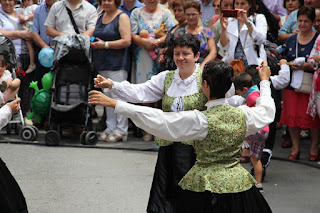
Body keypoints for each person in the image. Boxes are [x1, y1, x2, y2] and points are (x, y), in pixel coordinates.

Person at [88, 60, 274, 213]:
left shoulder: (200, 120)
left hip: (204, 186)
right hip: (237, 184)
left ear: (205, 85)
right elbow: (267, 110)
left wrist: (116, 104)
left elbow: (160, 120)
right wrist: (264, 81)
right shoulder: (243, 114)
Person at [93, 34, 208, 213]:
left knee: (193, 196)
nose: (180, 58)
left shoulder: (205, 78)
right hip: (170, 144)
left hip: (197, 148)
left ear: (196, 55)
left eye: (185, 53)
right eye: (177, 53)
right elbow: (140, 91)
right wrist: (112, 85)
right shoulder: (167, 77)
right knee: (167, 194)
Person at [279, 6, 320, 161]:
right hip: (292, 83)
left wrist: (306, 65)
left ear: (313, 22)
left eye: (306, 21)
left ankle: (314, 147)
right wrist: (287, 63)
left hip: (311, 84)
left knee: (313, 118)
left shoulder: (318, 39)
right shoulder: (291, 39)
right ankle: (295, 148)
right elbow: (282, 56)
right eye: (300, 21)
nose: (302, 24)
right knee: (292, 117)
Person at [130, 0, 174, 141]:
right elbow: (132, 34)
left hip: (161, 54)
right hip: (142, 55)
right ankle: (147, 128)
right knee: (146, 89)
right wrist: (145, 42)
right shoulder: (136, 12)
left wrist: (157, 42)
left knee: (161, 90)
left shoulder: (166, 13)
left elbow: (173, 32)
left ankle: (159, 128)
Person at [91, 0, 131, 142]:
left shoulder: (122, 16)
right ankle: (110, 127)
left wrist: (105, 45)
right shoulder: (100, 15)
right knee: (107, 99)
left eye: (110, 0)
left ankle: (122, 130)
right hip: (102, 64)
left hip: (117, 65)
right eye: (104, 0)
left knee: (119, 97)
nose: (106, 2)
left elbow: (127, 41)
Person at [0, 0, 34, 126]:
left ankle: (25, 114)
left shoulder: (21, 13)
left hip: (24, 55)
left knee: (26, 86)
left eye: (10, 0)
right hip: (5, 57)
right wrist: (19, 34)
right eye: (4, 0)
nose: (7, 3)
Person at [234, 71, 269, 193]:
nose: (239, 95)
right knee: (255, 158)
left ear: (244, 89)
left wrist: (251, 107)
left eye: (238, 92)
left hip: (256, 130)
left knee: (235, 133)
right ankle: (258, 184)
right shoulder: (258, 91)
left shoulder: (252, 96)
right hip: (264, 130)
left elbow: (255, 100)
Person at [218, 0, 267, 66]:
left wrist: (246, 22)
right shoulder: (229, 20)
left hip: (254, 65)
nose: (239, 7)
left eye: (242, 4)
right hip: (233, 65)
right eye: (237, 4)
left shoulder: (259, 18)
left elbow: (260, 40)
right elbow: (224, 47)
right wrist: (224, 30)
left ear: (249, 5)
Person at [174, 1, 217, 67]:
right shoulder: (179, 33)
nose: (191, 17)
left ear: (200, 14)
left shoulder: (207, 32)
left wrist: (202, 66)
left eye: (193, 14)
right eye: (188, 14)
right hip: (184, 66)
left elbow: (213, 52)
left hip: (204, 66)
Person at [31, 0, 56, 89]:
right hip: (43, 53)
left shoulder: (63, 8)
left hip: (59, 51)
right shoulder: (38, 10)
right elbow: (34, 32)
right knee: (42, 85)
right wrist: (44, 47)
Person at [158, 0, 187, 71]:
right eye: (175, 10)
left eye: (180, 10)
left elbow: (180, 46)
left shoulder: (186, 28)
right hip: (166, 64)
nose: (177, 13)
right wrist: (162, 54)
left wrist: (164, 51)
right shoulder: (174, 27)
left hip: (177, 65)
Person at [16, 0, 38, 74]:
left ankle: (33, 63)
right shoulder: (24, 9)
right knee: (29, 46)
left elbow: (34, 15)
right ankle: (32, 63)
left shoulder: (34, 7)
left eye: (29, 0)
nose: (27, 2)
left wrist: (26, 18)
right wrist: (22, 17)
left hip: (32, 29)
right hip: (26, 30)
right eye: (25, 1)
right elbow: (20, 16)